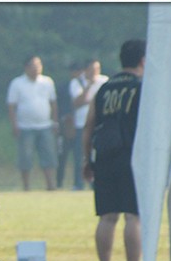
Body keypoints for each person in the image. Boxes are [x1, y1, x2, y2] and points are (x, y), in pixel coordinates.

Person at [84, 39, 146, 261]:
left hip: (105, 156)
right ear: (143, 60)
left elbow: (89, 126)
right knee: (133, 216)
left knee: (107, 217)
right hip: (132, 156)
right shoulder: (142, 87)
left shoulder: (104, 88)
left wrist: (86, 158)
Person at [6, 55, 58, 191]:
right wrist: (14, 125)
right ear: (26, 67)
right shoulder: (17, 83)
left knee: (48, 157)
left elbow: (53, 103)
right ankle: (26, 187)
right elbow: (11, 106)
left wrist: (55, 121)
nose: (37, 68)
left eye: (39, 65)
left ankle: (50, 185)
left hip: (45, 125)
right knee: (26, 159)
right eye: (34, 66)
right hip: (25, 127)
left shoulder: (47, 82)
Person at [69, 58, 108, 191]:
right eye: (92, 69)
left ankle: (96, 182)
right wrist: (89, 86)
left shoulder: (104, 81)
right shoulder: (77, 83)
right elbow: (77, 102)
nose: (94, 72)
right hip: (82, 123)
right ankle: (78, 183)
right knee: (80, 154)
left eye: (97, 69)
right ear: (85, 70)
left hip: (100, 124)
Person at [55, 61, 82, 188]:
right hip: (65, 126)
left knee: (79, 157)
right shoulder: (63, 87)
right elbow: (59, 106)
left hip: (80, 126)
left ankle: (79, 182)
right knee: (62, 157)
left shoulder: (85, 86)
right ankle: (59, 182)